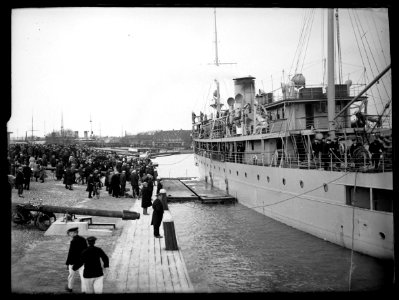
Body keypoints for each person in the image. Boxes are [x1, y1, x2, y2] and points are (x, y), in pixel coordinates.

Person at [65, 227, 88, 293]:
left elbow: (71, 253)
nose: (69, 234)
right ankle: (84, 291)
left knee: (71, 276)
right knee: (83, 277)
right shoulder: (83, 239)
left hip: (73, 262)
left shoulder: (73, 241)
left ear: (74, 233)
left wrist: (68, 263)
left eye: (70, 233)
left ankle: (70, 288)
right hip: (82, 262)